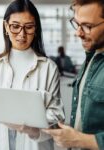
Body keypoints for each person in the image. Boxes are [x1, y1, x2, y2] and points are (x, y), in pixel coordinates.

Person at [0, 0, 65, 150]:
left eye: (29, 27)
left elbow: (57, 115)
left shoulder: (49, 68)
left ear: (36, 29)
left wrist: (30, 126)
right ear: (6, 27)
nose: (22, 34)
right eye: (15, 26)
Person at [43, 0, 104, 149]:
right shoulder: (91, 57)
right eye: (77, 23)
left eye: (87, 26)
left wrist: (79, 140)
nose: (78, 33)